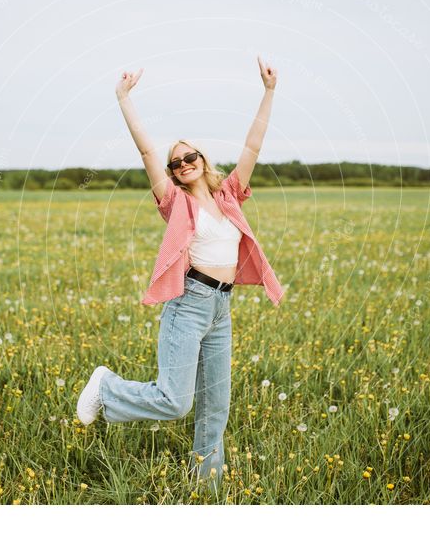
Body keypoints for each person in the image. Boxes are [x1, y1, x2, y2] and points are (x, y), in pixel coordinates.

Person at [77, 56, 284, 496]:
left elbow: (253, 147)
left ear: (203, 160)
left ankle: (206, 489)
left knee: (215, 407)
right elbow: (147, 151)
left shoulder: (229, 195)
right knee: (175, 401)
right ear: (172, 174)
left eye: (190, 156)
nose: (183, 162)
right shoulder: (176, 203)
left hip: (221, 309)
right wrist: (123, 97)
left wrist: (268, 92)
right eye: (177, 163)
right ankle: (107, 388)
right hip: (189, 304)